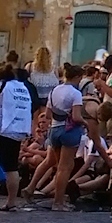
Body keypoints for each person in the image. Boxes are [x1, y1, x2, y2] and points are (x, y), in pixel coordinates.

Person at [0, 62, 34, 212]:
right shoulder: (22, 87)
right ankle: (11, 202)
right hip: (17, 129)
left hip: (1, 128)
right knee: (11, 167)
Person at [43, 64, 86, 211]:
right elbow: (76, 116)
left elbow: (48, 115)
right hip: (70, 131)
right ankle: (58, 202)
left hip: (55, 129)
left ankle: (57, 199)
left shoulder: (54, 90)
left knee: (58, 167)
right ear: (77, 77)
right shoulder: (76, 93)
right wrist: (87, 122)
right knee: (65, 168)